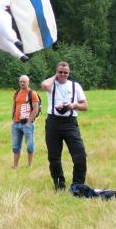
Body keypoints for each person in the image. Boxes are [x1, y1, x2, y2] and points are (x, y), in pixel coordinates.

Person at [41, 62, 88, 190]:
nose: (63, 75)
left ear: (69, 73)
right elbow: (44, 86)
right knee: (54, 156)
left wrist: (74, 105)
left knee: (80, 154)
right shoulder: (51, 84)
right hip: (53, 122)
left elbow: (85, 106)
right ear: (56, 72)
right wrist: (54, 77)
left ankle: (78, 185)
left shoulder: (75, 86)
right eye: (60, 72)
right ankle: (59, 185)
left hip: (70, 123)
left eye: (65, 72)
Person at [12, 75, 39, 169]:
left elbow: (36, 108)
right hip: (16, 123)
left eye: (24, 81)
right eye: (21, 81)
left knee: (29, 146)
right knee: (15, 147)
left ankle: (30, 165)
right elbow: (14, 105)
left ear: (28, 82)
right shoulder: (17, 93)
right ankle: (15, 166)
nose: (22, 83)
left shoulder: (32, 93)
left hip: (27, 124)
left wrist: (28, 122)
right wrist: (13, 119)